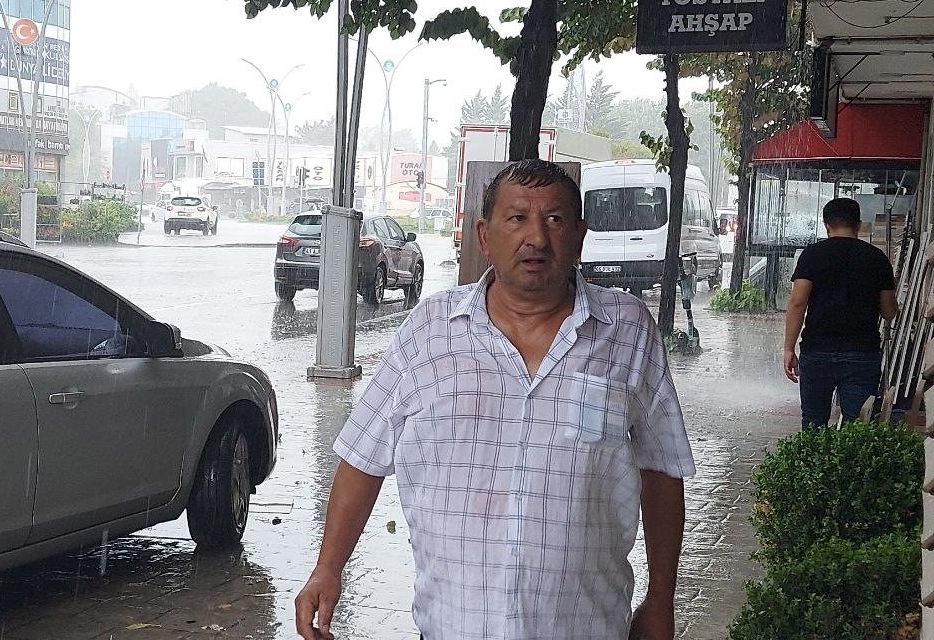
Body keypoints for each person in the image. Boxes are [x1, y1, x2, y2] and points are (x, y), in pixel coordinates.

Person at [295, 160, 695, 640]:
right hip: (454, 626)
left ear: (579, 236)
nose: (536, 238)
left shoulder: (627, 331)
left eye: (554, 219)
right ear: (484, 236)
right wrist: (328, 567)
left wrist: (661, 598)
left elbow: (662, 469)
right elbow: (363, 457)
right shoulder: (429, 330)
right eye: (517, 218)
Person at [783, 197, 898, 427]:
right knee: (856, 426)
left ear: (827, 225)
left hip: (817, 351)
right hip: (862, 353)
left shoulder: (812, 255)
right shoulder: (877, 259)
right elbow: (888, 312)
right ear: (858, 225)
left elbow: (797, 303)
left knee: (813, 422)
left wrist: (788, 348)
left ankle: (814, 452)